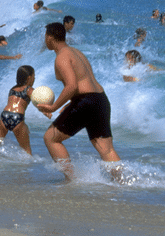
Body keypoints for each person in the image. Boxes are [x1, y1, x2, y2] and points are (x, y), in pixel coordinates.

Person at [36, 23, 121, 180]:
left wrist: (53, 107)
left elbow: (72, 86)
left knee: (50, 138)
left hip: (86, 101)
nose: (44, 41)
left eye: (45, 37)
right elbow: (84, 83)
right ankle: (123, 182)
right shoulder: (76, 52)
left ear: (49, 37)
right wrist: (70, 104)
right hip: (100, 99)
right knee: (106, 149)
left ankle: (71, 180)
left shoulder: (61, 57)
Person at [0, 66, 49, 157]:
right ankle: (25, 170)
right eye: (34, 76)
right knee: (27, 152)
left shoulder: (12, 89)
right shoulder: (29, 89)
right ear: (29, 78)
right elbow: (37, 102)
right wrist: (45, 112)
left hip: (5, 116)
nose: (35, 79)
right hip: (17, 117)